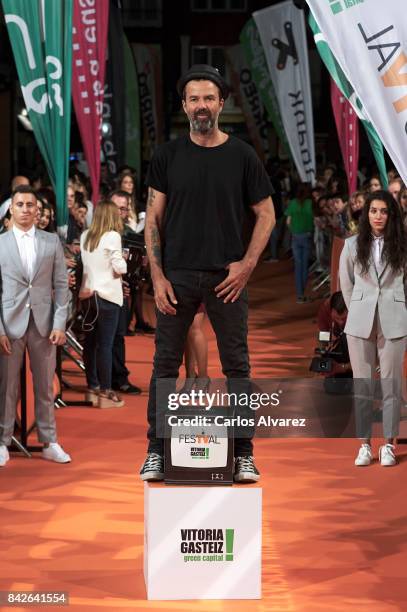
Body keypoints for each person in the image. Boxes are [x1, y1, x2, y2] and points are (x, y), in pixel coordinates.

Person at [140, 64, 275, 483]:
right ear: (184, 105)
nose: (201, 105)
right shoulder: (166, 155)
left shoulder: (242, 156)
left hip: (226, 278)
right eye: (194, 98)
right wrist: (158, 277)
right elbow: (152, 220)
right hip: (176, 278)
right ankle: (156, 452)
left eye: (208, 98)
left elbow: (267, 214)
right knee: (164, 367)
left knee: (237, 367)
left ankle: (244, 454)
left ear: (221, 103)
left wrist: (247, 265)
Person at [0, 185, 70, 467]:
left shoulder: (51, 241)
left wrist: (60, 323)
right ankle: (3, 441)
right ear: (11, 209)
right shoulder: (0, 243)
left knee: (44, 386)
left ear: (37, 210)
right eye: (21, 205)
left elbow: (62, 285)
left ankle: (49, 441)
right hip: (9, 324)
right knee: (7, 387)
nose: (26, 209)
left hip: (44, 325)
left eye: (31, 205)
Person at [339, 190, 407, 467]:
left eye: (384, 211)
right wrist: (358, 308)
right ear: (366, 214)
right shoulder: (352, 245)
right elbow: (346, 285)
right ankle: (364, 445)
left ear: (391, 215)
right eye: (373, 211)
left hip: (395, 320)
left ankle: (388, 444)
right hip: (360, 322)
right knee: (363, 386)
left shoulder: (402, 244)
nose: (378, 216)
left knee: (392, 385)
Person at [79, 201, 127, 408]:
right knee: (105, 345)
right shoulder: (113, 236)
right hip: (108, 296)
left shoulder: (85, 236)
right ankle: (107, 393)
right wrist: (124, 259)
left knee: (90, 344)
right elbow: (119, 267)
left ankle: (93, 387)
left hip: (89, 295)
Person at [285, 183, 314, 303]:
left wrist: (293, 231)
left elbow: (288, 221)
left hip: (295, 236)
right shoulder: (310, 204)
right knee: (305, 266)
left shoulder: (292, 203)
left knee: (298, 266)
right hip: (307, 235)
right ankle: (302, 293)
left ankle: (300, 295)